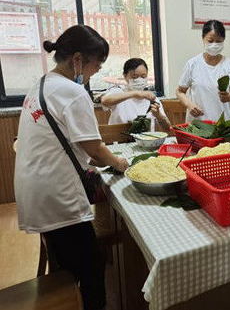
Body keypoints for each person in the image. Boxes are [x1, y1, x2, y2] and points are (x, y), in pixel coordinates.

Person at [14, 25, 129, 310]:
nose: (93, 73)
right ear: (77, 59)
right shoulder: (72, 91)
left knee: (65, 262)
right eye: (95, 66)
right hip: (55, 193)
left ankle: (65, 299)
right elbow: (95, 149)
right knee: (92, 264)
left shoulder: (42, 83)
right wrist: (121, 164)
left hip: (35, 188)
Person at [176, 20, 230, 122]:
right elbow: (180, 91)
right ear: (203, 39)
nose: (214, 44)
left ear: (224, 40)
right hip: (197, 124)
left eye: (218, 41)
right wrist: (189, 104)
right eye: (210, 41)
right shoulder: (192, 64)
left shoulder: (229, 65)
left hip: (223, 125)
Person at [101, 58, 170, 131]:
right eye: (134, 77)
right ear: (125, 76)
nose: (139, 80)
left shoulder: (152, 99)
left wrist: (159, 115)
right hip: (120, 141)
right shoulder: (118, 93)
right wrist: (134, 94)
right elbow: (104, 101)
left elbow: (167, 128)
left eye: (143, 76)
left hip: (146, 141)